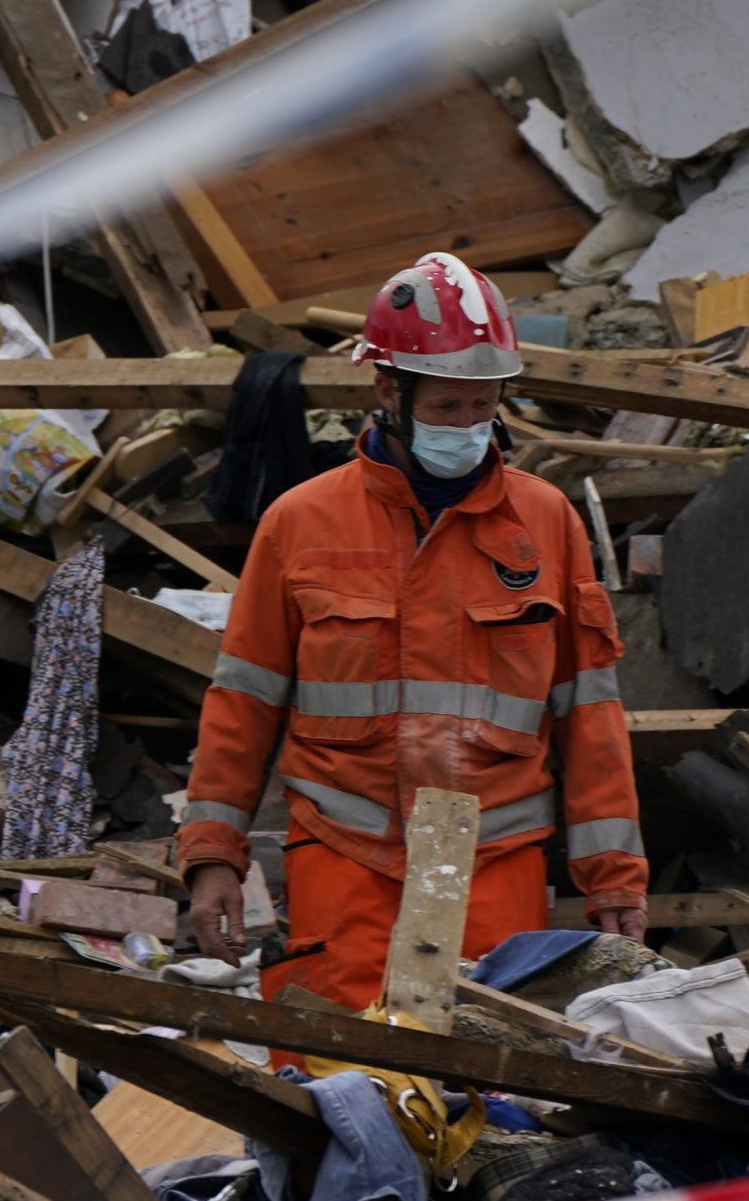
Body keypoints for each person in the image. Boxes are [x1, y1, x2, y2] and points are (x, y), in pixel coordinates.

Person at [179, 252, 648, 1013]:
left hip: (494, 863)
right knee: (338, 1083)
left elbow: (589, 714)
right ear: (388, 391)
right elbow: (243, 702)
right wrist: (212, 855)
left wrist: (614, 878)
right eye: (446, 409)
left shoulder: (546, 523)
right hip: (344, 860)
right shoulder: (301, 523)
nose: (467, 428)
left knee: (487, 1092)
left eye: (482, 407)